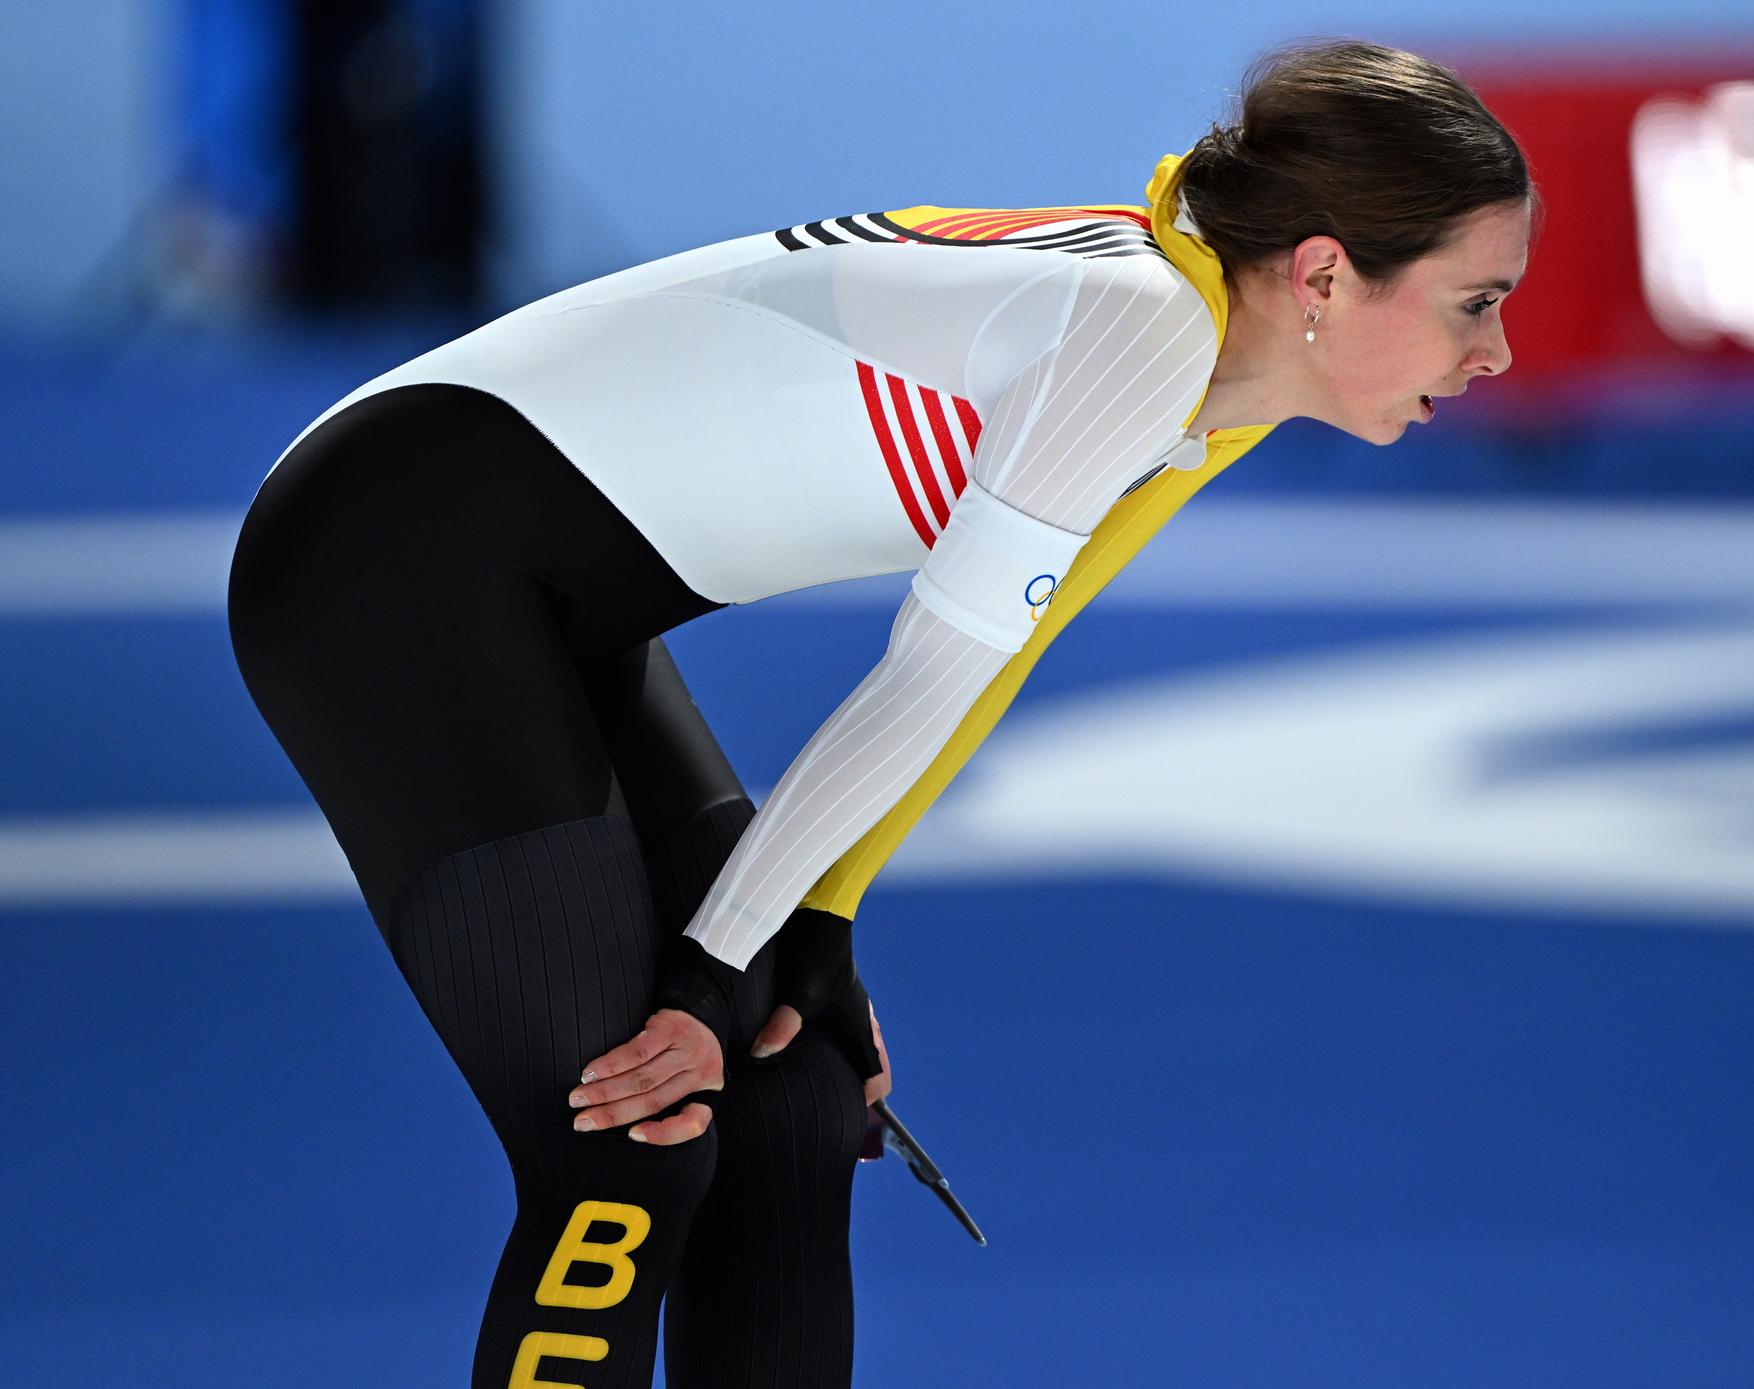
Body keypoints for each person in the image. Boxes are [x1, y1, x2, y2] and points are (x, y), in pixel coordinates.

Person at [226, 36, 1538, 1389]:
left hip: (535, 590)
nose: (1499, 350)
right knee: (630, 1138)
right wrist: (711, 965)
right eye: (1474, 302)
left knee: (793, 1097)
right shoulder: (1142, 330)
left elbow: (992, 668)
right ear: (1324, 273)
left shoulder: (1212, 358)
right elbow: (931, 671)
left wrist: (814, 925)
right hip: (386, 559)